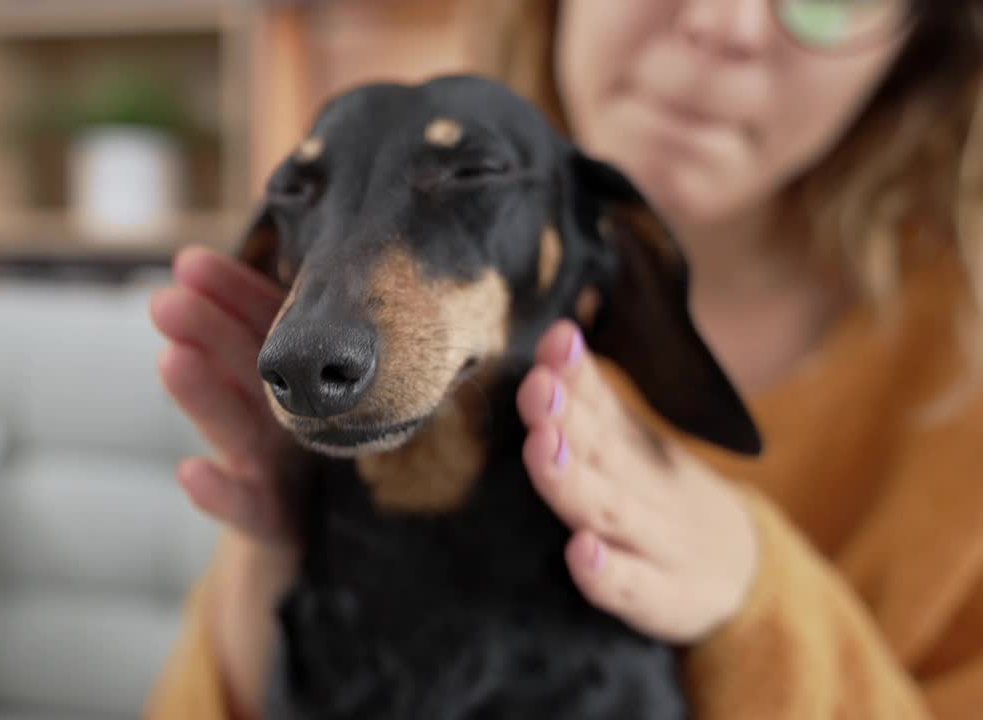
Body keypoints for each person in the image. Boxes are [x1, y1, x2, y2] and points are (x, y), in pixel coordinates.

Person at [145, 1, 983, 717]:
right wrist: (280, 551)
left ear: (922, 37)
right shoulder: (375, 367)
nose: (721, 25)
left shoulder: (963, 388)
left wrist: (754, 590)